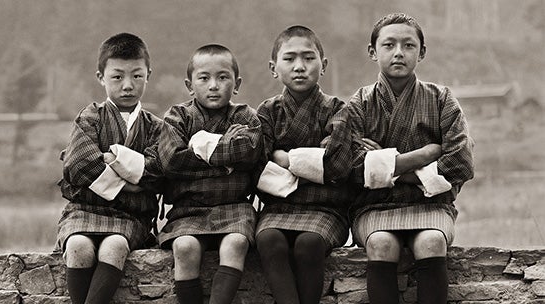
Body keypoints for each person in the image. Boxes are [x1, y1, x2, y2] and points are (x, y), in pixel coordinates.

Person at [347, 13, 475, 304]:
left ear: (422, 52)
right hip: (374, 207)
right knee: (380, 244)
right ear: (373, 52)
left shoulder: (441, 98)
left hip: (432, 205)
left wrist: (382, 166)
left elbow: (461, 161)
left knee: (431, 241)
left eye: (408, 45)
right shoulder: (360, 103)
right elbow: (350, 165)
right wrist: (423, 156)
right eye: (389, 45)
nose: (399, 53)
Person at [56, 33, 164, 304]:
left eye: (137, 76)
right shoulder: (90, 117)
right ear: (101, 77)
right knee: (78, 246)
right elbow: (79, 165)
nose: (128, 85)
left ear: (148, 75)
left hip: (131, 217)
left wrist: (110, 161)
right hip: (84, 211)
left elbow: (157, 171)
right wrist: (129, 182)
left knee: (115, 246)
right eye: (117, 77)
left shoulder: (156, 127)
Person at [157, 44, 262, 304]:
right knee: (185, 247)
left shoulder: (246, 116)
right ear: (189, 85)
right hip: (188, 209)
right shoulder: (177, 117)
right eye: (204, 78)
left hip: (235, 207)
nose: (213, 85)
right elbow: (171, 160)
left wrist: (197, 146)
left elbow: (248, 153)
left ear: (236, 84)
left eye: (222, 77)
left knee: (236, 243)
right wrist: (225, 155)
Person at [254, 25, 353, 304]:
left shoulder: (337, 109)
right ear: (274, 68)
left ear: (323, 65)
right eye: (289, 59)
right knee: (268, 240)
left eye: (309, 58)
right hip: (278, 208)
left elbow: (336, 164)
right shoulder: (267, 112)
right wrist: (312, 166)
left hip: (327, 207)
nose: (299, 66)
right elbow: (260, 168)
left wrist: (283, 158)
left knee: (309, 244)